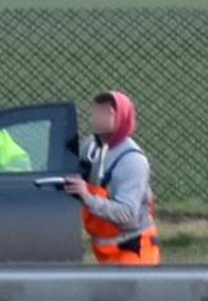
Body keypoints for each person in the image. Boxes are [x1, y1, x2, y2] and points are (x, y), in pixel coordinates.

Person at [65, 91, 160, 266]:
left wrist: (87, 197)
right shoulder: (90, 147)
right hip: (106, 252)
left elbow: (127, 214)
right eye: (95, 111)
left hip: (133, 251)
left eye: (106, 112)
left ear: (122, 116)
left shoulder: (132, 161)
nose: (96, 118)